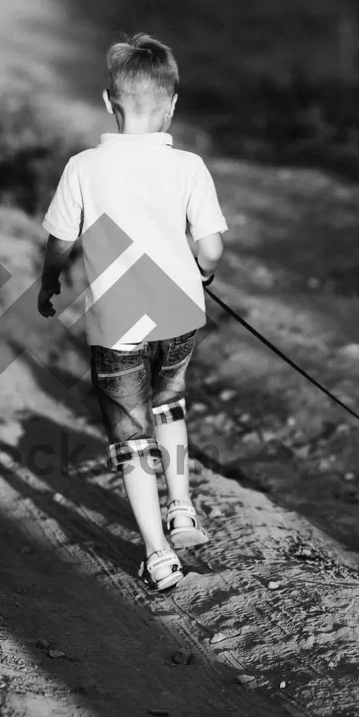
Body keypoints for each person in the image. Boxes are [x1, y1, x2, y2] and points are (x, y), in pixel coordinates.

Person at [36, 32, 228, 591]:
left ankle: (158, 553)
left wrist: (48, 283)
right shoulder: (189, 166)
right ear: (172, 105)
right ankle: (184, 507)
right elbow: (211, 248)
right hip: (180, 314)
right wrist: (205, 273)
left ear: (106, 102)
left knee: (131, 435)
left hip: (116, 322)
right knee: (171, 403)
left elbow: (58, 243)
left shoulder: (83, 168)